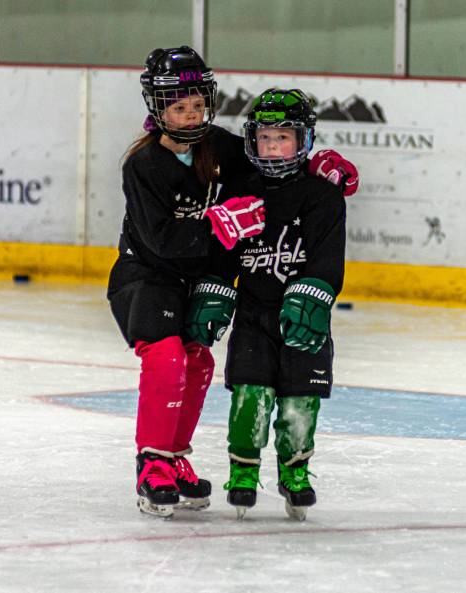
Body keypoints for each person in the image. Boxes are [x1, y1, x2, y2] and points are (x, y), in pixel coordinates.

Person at [109, 47, 358, 519]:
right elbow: (160, 240)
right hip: (145, 275)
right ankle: (151, 464)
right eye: (179, 107)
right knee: (165, 356)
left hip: (193, 277)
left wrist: (316, 164)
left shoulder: (218, 147)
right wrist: (217, 227)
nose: (191, 116)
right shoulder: (140, 166)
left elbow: (269, 166)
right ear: (157, 108)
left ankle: (174, 456)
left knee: (199, 360)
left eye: (198, 105)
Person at [212, 89, 347, 521]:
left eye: (283, 138)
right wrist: (213, 289)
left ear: (303, 141)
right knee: (250, 396)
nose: (272, 147)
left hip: (303, 321)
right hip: (254, 317)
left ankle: (295, 472)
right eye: (265, 138)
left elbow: (329, 257)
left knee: (299, 403)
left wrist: (315, 293)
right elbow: (223, 254)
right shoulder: (240, 189)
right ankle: (244, 472)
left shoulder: (322, 196)